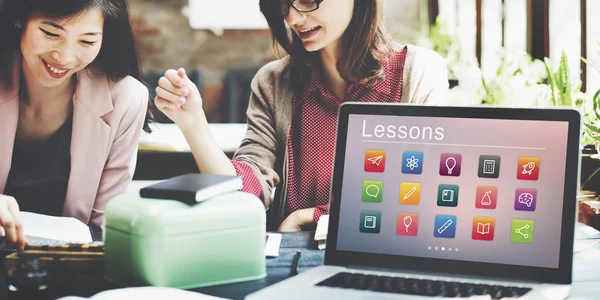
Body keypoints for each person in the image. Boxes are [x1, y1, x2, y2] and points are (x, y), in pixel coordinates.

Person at [154, 0, 448, 232]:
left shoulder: (416, 74)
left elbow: (418, 195)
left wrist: (316, 217)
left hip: (379, 260)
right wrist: (193, 124)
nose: (293, 18)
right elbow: (245, 188)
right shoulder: (273, 83)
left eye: (308, 0)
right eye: (284, 4)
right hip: (290, 260)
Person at [0, 0, 152, 250]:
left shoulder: (125, 97)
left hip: (71, 268)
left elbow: (103, 228)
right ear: (21, 20)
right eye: (50, 33)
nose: (65, 56)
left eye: (87, 41)